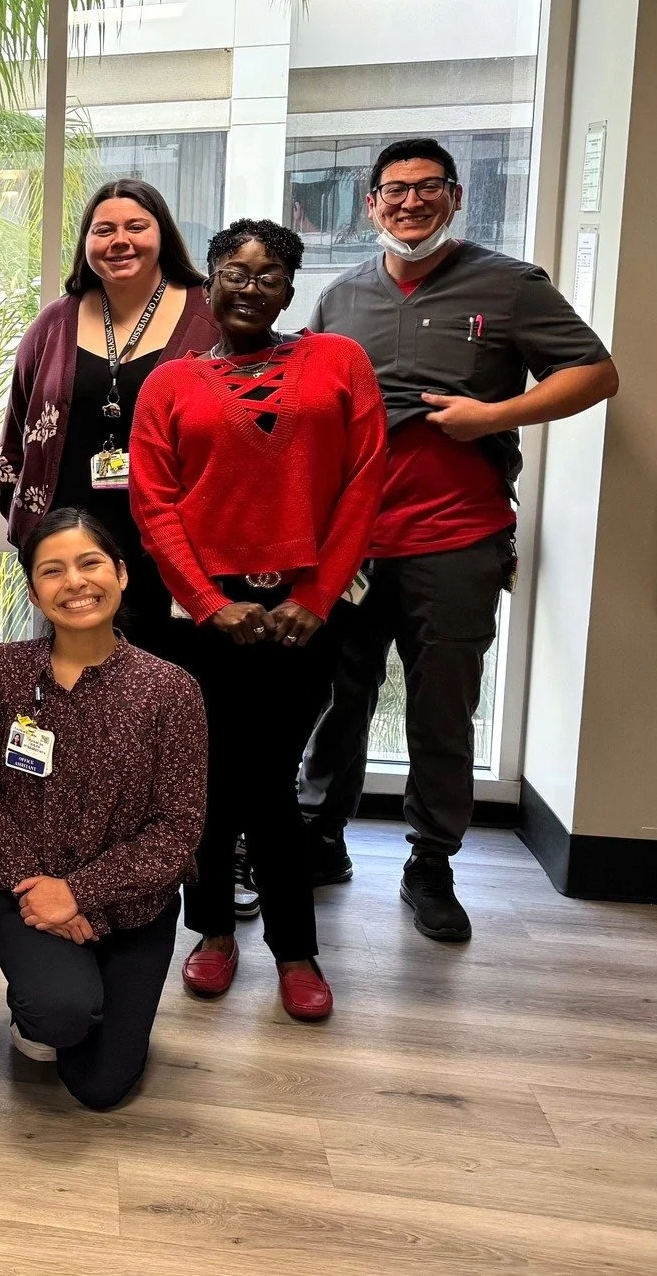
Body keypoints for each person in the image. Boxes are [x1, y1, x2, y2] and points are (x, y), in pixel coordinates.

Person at [298, 137, 617, 938]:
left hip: (457, 538)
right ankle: (321, 839)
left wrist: (494, 415)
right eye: (394, 190)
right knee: (339, 696)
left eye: (428, 188)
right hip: (353, 544)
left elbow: (595, 372)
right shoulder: (339, 301)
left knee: (442, 708)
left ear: (456, 196)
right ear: (370, 203)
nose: (411, 203)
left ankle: (431, 863)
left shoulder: (508, 287)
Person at [129, 219, 387, 1023]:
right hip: (200, 616)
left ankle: (294, 947)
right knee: (206, 781)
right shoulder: (168, 383)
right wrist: (210, 603)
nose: (249, 285)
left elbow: (364, 486)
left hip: (305, 615)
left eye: (268, 273)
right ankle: (212, 933)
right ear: (209, 281)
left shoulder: (338, 362)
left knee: (268, 776)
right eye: (233, 271)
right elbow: (153, 503)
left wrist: (313, 600)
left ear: (290, 286)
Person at [0, 508, 206, 1110]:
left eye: (90, 563)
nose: (75, 582)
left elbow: (178, 830)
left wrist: (79, 892)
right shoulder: (2, 670)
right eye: (52, 571)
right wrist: (36, 889)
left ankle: (83, 995)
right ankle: (51, 1004)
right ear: (35, 590)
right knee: (58, 1014)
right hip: (22, 890)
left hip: (132, 906)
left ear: (121, 573)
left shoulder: (169, 689)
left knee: (98, 1087)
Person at [0, 179, 219, 658]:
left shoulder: (210, 318)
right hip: (70, 545)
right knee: (73, 677)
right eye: (104, 230)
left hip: (176, 546)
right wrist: (25, 518)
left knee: (170, 680)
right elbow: (17, 428)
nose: (120, 240)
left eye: (136, 226)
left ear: (163, 234)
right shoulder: (54, 323)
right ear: (86, 243)